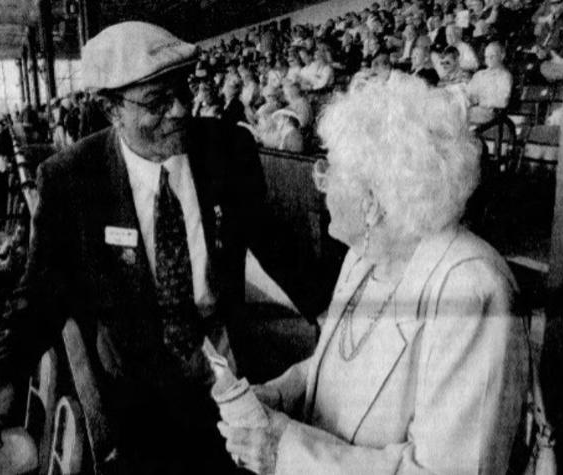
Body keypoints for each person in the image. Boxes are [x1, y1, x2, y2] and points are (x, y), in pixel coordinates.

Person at [0, 21, 328, 474]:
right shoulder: (72, 178)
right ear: (111, 109)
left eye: (182, 91)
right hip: (135, 384)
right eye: (157, 102)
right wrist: (1, 374)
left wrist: (327, 313)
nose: (180, 110)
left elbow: (275, 242)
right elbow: (41, 292)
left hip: (225, 366)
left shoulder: (226, 148)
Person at [218, 73, 529, 474]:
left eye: (328, 170)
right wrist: (281, 393)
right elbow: (340, 366)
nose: (321, 184)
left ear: (373, 202)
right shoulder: (366, 253)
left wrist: (287, 453)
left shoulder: (472, 291)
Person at [466, 41, 512, 124]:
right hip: (474, 110)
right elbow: (468, 94)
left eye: (492, 56)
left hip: (490, 113)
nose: (488, 60)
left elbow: (503, 102)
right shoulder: (479, 74)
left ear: (502, 56)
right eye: (486, 57)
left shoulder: (504, 76)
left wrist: (483, 99)